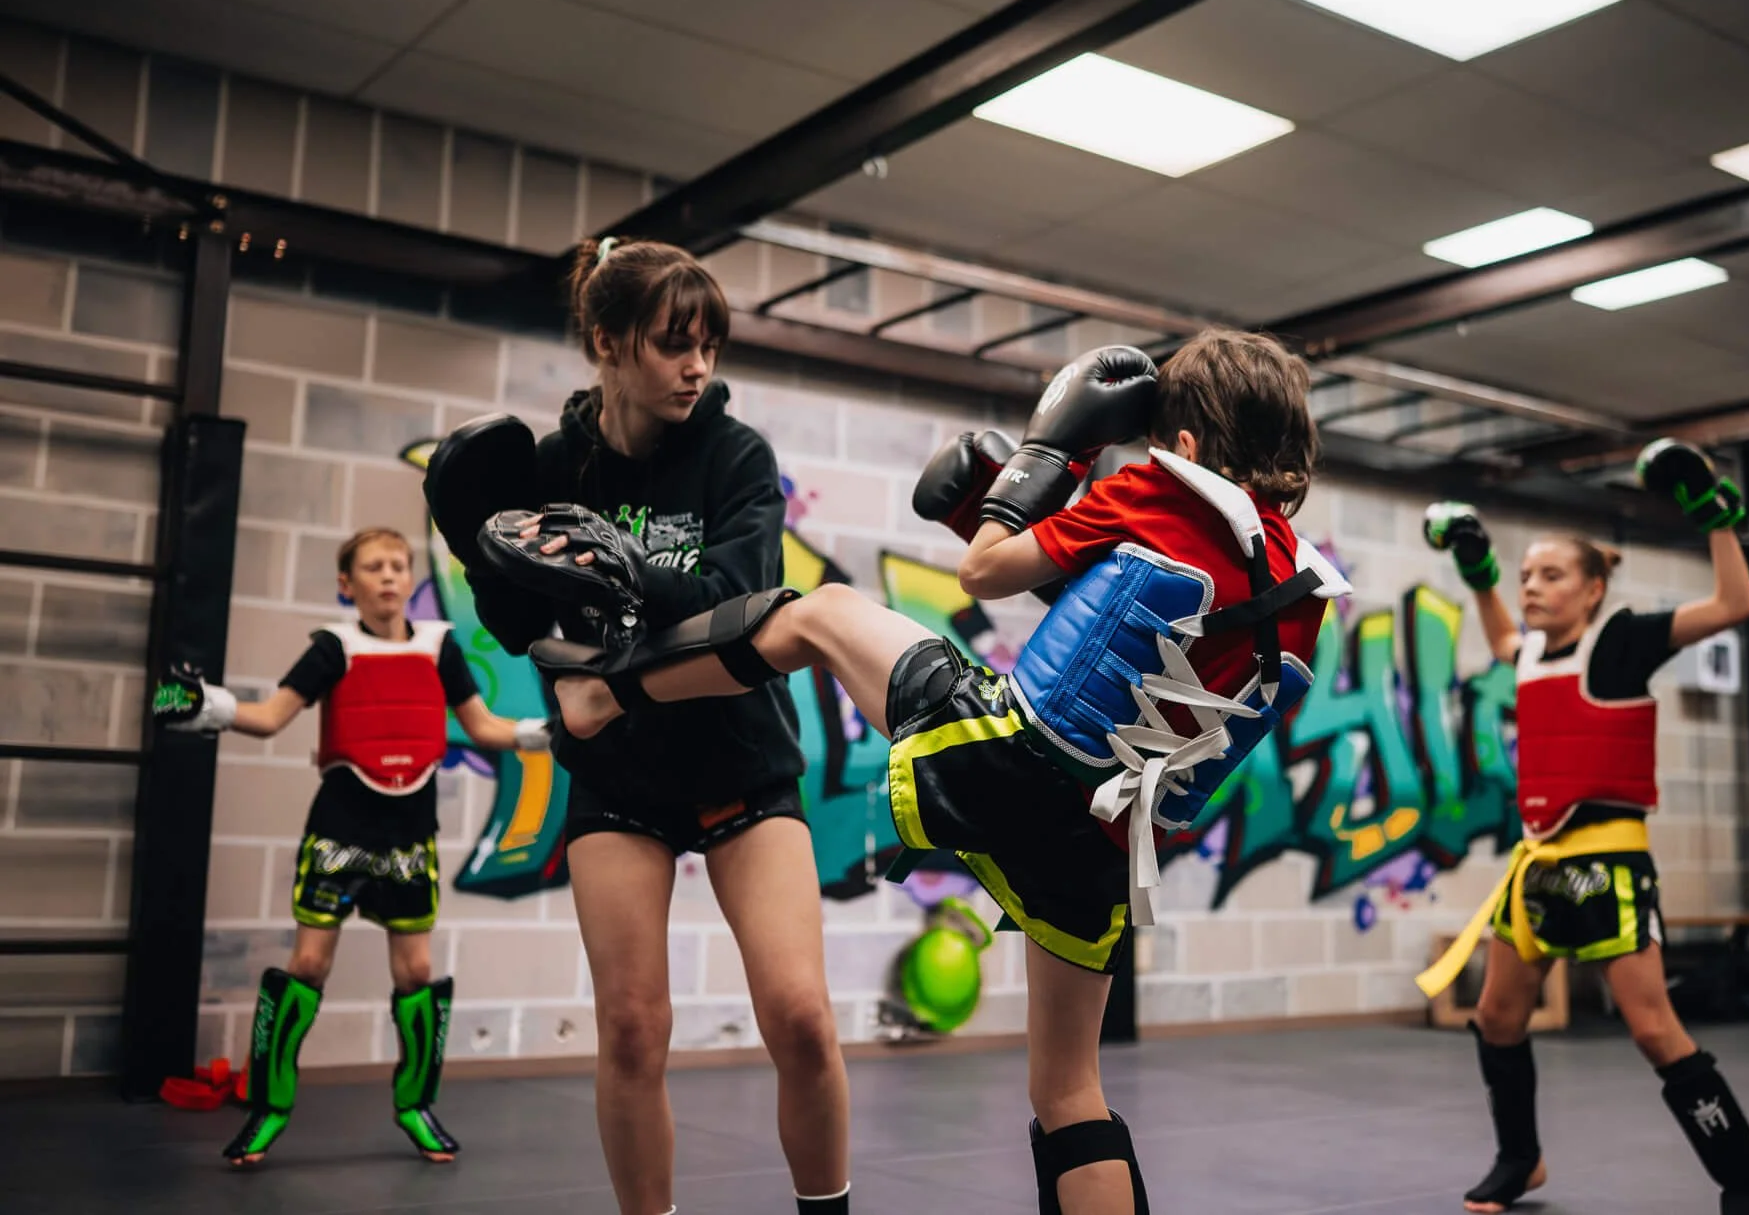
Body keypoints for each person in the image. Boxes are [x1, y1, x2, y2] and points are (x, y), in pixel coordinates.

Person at [452, 331, 1349, 1215]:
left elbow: (984, 570)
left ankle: (605, 693)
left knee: (819, 615)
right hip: (1107, 847)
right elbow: (1135, 617)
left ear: (1183, 442)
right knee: (1071, 1091)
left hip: (1003, 760)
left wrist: (1044, 461)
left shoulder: (1153, 490)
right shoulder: (1307, 594)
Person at [423, 237, 849, 1215]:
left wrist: (615, 562)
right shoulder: (548, 467)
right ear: (608, 342)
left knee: (800, 1017)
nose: (697, 366)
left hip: (741, 757)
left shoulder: (735, 455)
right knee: (628, 1027)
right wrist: (489, 559)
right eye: (672, 344)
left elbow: (738, 598)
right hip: (618, 772)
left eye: (708, 345)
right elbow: (520, 623)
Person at [1413, 439, 1749, 1215]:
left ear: (1594, 587)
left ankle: (1748, 1185)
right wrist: (1478, 572)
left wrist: (1714, 515)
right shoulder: (1530, 653)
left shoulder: (1622, 642)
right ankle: (1521, 1158)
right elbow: (1503, 640)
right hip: (1537, 866)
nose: (1532, 587)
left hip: (1609, 867)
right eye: (1525, 576)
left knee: (1654, 1030)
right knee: (1496, 1016)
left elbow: (1735, 605)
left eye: (1551, 575)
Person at [153, 526, 550, 1167]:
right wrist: (207, 706)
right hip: (339, 830)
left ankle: (416, 1106)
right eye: (373, 567)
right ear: (348, 583)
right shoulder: (332, 649)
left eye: (397, 565)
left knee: (416, 973)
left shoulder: (440, 647)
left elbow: (483, 728)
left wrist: (554, 731)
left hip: (409, 836)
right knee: (308, 965)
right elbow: (270, 717)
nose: (389, 576)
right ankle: (268, 1109)